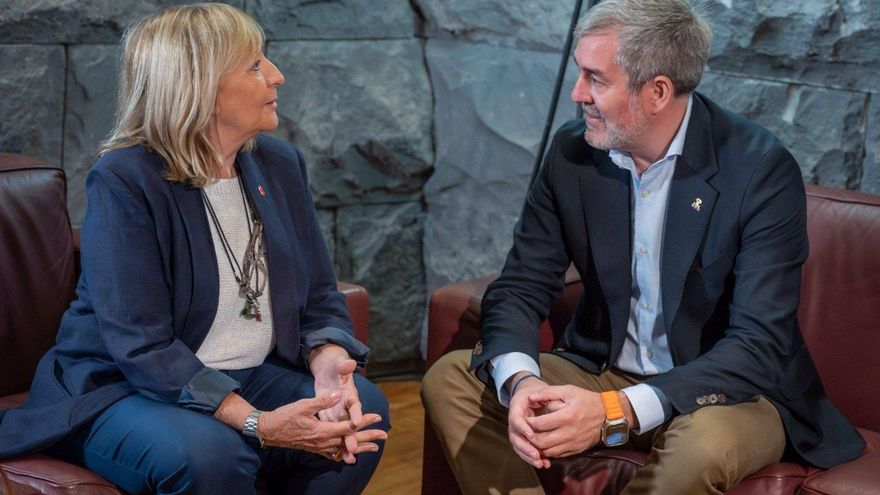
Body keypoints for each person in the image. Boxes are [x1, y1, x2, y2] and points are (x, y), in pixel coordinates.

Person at [421, 0, 864, 493]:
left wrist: (613, 411)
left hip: (729, 394)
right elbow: (522, 285)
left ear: (657, 92)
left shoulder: (759, 169)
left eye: (596, 79)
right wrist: (523, 384)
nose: (577, 93)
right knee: (453, 379)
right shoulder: (573, 154)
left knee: (702, 446)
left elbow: (758, 345)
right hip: (604, 371)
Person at [0, 4, 388, 494]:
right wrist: (256, 423)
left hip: (251, 372)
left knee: (363, 412)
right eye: (255, 65)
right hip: (125, 385)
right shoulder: (125, 178)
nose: (277, 76)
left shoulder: (279, 163)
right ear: (199, 87)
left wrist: (327, 358)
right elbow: (142, 344)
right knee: (212, 454)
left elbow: (318, 294)